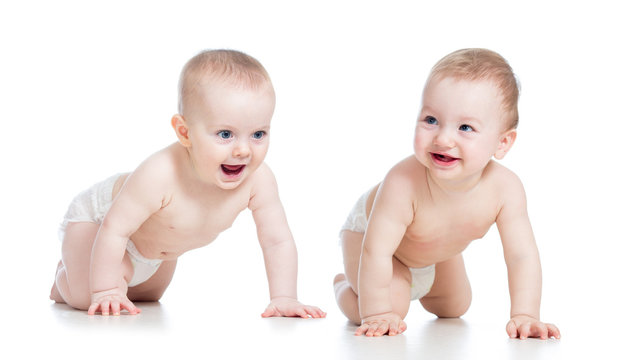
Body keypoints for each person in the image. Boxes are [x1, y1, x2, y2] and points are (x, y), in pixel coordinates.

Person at [50, 49, 326, 319]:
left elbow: (277, 241)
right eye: (225, 134)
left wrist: (284, 297)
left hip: (155, 253)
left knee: (147, 298)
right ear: (185, 132)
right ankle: (66, 279)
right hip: (99, 224)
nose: (243, 150)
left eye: (258, 134)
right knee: (91, 296)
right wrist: (105, 289)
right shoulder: (159, 173)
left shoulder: (259, 180)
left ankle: (95, 275)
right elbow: (114, 229)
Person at [333, 48, 560, 339]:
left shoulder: (506, 190)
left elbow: (522, 256)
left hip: (435, 251)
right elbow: (376, 250)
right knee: (392, 306)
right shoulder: (402, 182)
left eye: (465, 127)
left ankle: (416, 288)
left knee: (456, 305)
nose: (442, 138)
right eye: (431, 120)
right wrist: (376, 313)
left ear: (502, 143)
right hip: (369, 239)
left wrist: (525, 315)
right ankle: (343, 287)